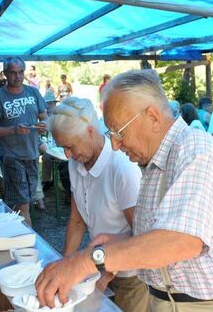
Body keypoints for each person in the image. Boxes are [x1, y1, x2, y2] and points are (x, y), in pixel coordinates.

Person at [35, 69, 213, 310]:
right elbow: (163, 232)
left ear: (152, 117)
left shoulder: (194, 150)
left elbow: (181, 241)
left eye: (119, 133)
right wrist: (117, 242)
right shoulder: (155, 162)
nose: (115, 145)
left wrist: (89, 260)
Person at [48, 97, 148, 312]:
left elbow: (141, 233)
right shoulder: (77, 161)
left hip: (130, 276)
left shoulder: (122, 168)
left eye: (69, 146)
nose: (67, 155)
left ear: (91, 131)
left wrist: (106, 276)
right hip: (100, 265)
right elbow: (76, 220)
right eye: (62, 147)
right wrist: (66, 265)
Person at [0, 57, 47, 226]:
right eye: (13, 73)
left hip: (32, 154)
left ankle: (12, 231)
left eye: (20, 72)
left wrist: (44, 125)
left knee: (26, 199)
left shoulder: (33, 92)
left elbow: (44, 116)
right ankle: (28, 241)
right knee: (24, 204)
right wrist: (13, 129)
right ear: (5, 74)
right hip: (12, 156)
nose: (17, 76)